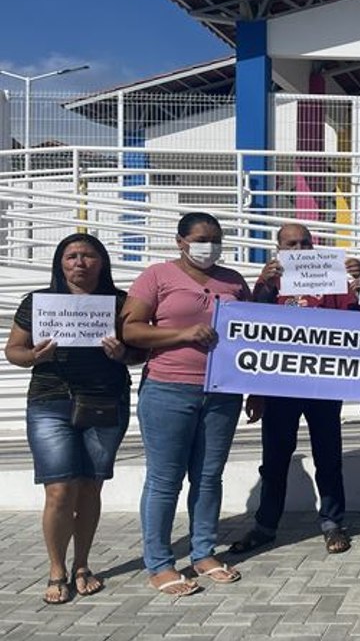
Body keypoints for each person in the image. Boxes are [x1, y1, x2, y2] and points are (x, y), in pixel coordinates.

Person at [5, 233, 142, 604]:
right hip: (51, 402)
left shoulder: (121, 302)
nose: (79, 262)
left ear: (102, 262)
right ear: (59, 263)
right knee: (59, 489)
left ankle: (82, 565)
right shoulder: (38, 302)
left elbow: (139, 354)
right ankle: (56, 569)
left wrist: (122, 353)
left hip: (105, 402)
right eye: (71, 256)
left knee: (89, 487)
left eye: (88, 256)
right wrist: (34, 356)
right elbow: (13, 351)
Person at [121, 212, 252, 596]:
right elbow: (130, 328)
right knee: (165, 480)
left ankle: (203, 551)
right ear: (180, 241)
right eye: (200, 238)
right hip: (168, 389)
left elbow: (254, 333)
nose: (208, 245)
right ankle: (159, 563)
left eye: (215, 238)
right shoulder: (156, 276)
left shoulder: (233, 281)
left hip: (223, 392)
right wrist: (183, 333)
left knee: (209, 477)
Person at [227, 223, 360, 557]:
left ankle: (333, 523)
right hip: (279, 385)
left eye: (305, 243)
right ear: (278, 248)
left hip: (323, 383)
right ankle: (265, 525)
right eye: (291, 244)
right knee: (274, 460)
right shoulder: (269, 282)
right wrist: (254, 391)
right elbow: (252, 331)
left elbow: (357, 321)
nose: (299, 249)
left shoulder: (331, 280)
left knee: (328, 456)